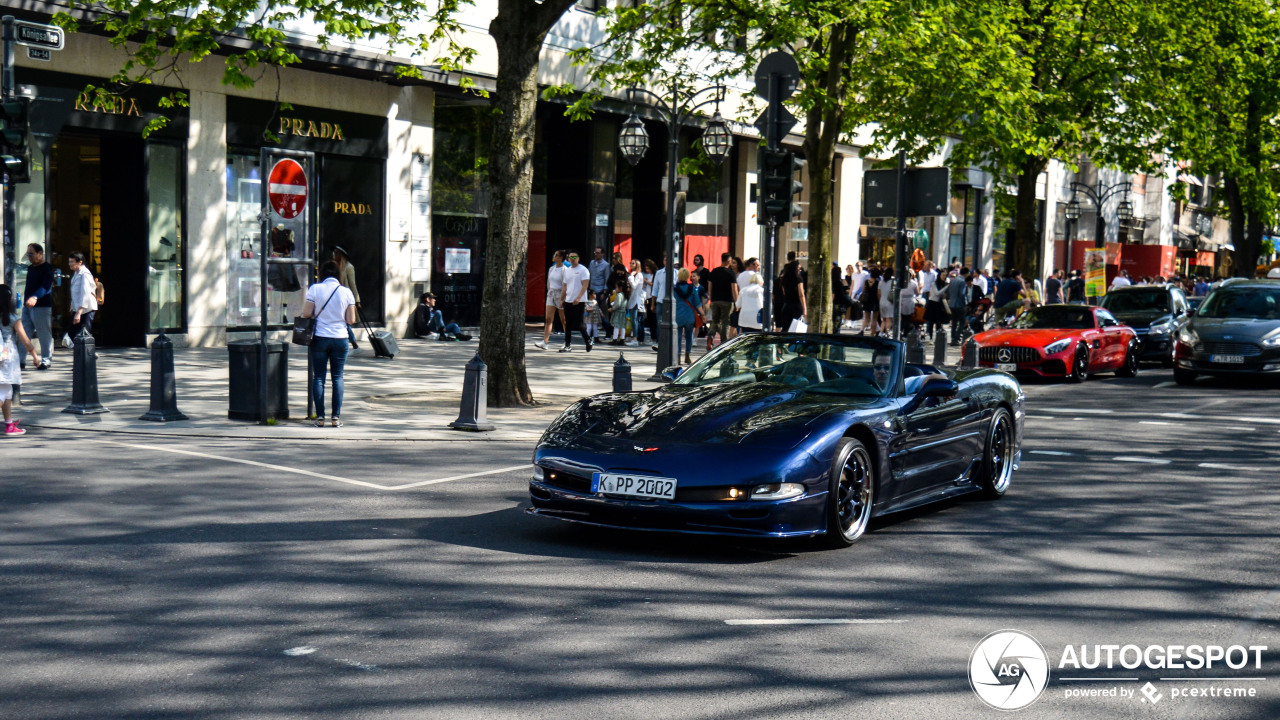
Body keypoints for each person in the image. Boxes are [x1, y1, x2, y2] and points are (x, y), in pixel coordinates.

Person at [301, 261, 357, 428]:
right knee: (337, 378)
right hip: (340, 338)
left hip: (319, 338)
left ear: (323, 274)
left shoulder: (315, 289)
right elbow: (351, 320)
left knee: (318, 378)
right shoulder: (346, 292)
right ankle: (335, 418)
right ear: (338, 275)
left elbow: (306, 313)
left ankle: (320, 418)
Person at [1, 285, 40, 436]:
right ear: (9, 299)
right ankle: (9, 425)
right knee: (4, 392)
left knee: (7, 391)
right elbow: (25, 340)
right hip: (7, 357)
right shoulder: (12, 318)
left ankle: (9, 424)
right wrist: (35, 355)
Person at [21, 243, 54, 370]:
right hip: (27, 306)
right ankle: (21, 359)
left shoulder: (48, 269)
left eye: (31, 254)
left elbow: (45, 287)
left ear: (40, 254)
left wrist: (35, 297)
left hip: (41, 306)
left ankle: (46, 360)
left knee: (43, 333)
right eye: (28, 254)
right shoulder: (30, 268)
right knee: (24, 333)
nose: (29, 257)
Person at [560, 251, 593, 352]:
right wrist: (562, 298)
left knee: (579, 324)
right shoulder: (567, 270)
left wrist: (578, 297)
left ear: (578, 258)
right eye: (570, 257)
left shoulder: (583, 270)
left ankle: (588, 339)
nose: (573, 259)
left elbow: (585, 285)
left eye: (575, 257)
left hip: (579, 300)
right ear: (568, 259)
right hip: (568, 300)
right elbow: (565, 286)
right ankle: (567, 344)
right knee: (568, 323)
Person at [534, 250, 567, 350]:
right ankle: (545, 342)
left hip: (560, 294)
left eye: (556, 255)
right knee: (548, 319)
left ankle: (567, 342)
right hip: (551, 293)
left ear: (561, 258)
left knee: (563, 320)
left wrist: (562, 298)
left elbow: (565, 285)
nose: (554, 256)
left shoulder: (565, 270)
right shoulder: (551, 269)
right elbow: (548, 282)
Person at [332, 246, 361, 350]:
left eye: (337, 253)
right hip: (334, 297)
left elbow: (353, 285)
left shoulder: (348, 267)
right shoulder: (334, 266)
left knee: (344, 321)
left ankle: (353, 342)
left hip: (344, 298)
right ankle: (352, 342)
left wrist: (357, 300)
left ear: (342, 255)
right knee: (341, 320)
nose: (334, 255)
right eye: (334, 253)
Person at [707, 252, 737, 348]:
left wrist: (711, 298)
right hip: (727, 300)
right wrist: (737, 302)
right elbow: (734, 289)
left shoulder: (714, 271)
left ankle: (710, 337)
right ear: (728, 261)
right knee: (725, 322)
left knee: (715, 320)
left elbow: (710, 285)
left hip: (715, 300)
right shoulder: (731, 273)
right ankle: (724, 342)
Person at [673, 268, 701, 364]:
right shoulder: (692, 288)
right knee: (689, 336)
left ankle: (678, 356)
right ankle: (687, 356)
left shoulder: (674, 289)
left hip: (678, 315)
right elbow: (697, 303)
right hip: (689, 316)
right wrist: (703, 314)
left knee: (678, 337)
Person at [67, 252, 98, 338]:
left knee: (83, 335)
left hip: (86, 309)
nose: (70, 264)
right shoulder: (77, 273)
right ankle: (80, 351)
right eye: (69, 261)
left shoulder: (84, 274)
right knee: (73, 334)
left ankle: (87, 352)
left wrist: (79, 312)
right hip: (78, 309)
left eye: (72, 262)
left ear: (80, 262)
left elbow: (85, 294)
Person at [779, 252, 807, 331]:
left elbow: (784, 292)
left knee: (785, 328)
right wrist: (805, 309)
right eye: (799, 268)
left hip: (787, 306)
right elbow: (801, 294)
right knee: (795, 329)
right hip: (797, 306)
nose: (800, 270)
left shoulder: (784, 279)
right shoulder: (798, 279)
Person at [627, 259, 647, 346]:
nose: (631, 264)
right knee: (632, 319)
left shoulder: (638, 275)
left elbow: (634, 286)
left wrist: (630, 277)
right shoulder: (635, 275)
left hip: (636, 300)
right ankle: (633, 336)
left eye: (633, 263)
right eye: (630, 263)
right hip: (632, 298)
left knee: (634, 320)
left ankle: (635, 338)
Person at [947, 268, 970, 344]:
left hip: (952, 304)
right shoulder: (962, 281)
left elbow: (949, 291)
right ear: (966, 273)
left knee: (954, 322)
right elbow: (962, 294)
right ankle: (956, 338)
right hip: (959, 305)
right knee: (962, 322)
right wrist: (965, 303)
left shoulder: (953, 280)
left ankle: (953, 338)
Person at [924, 272, 950, 336]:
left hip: (939, 304)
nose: (944, 277)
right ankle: (930, 336)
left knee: (939, 322)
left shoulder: (944, 284)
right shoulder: (934, 283)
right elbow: (937, 293)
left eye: (945, 275)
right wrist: (946, 287)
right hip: (932, 303)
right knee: (931, 322)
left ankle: (938, 336)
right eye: (943, 275)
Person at [608, 278, 630, 346]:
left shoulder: (619, 295)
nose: (616, 289)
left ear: (620, 288)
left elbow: (617, 304)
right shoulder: (625, 295)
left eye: (616, 287)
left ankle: (615, 339)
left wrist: (612, 308)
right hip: (623, 312)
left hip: (618, 312)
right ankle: (622, 339)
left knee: (616, 326)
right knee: (623, 326)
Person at [861, 268, 880, 336]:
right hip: (875, 301)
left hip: (867, 301)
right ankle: (872, 333)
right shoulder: (878, 282)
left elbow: (863, 290)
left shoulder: (866, 281)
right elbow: (878, 293)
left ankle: (862, 330)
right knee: (874, 318)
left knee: (866, 317)